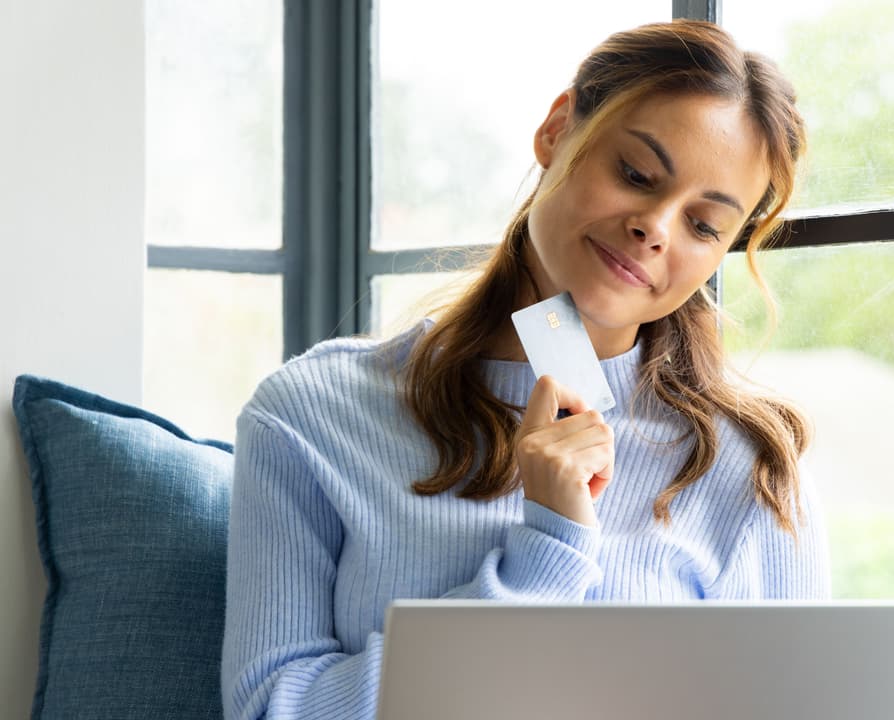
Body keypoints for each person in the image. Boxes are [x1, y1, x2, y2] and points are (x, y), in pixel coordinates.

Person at [222, 19, 830, 720]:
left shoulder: (752, 468)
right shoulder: (311, 412)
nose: (656, 227)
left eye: (702, 226)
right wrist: (544, 559)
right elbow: (273, 710)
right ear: (557, 129)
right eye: (635, 174)